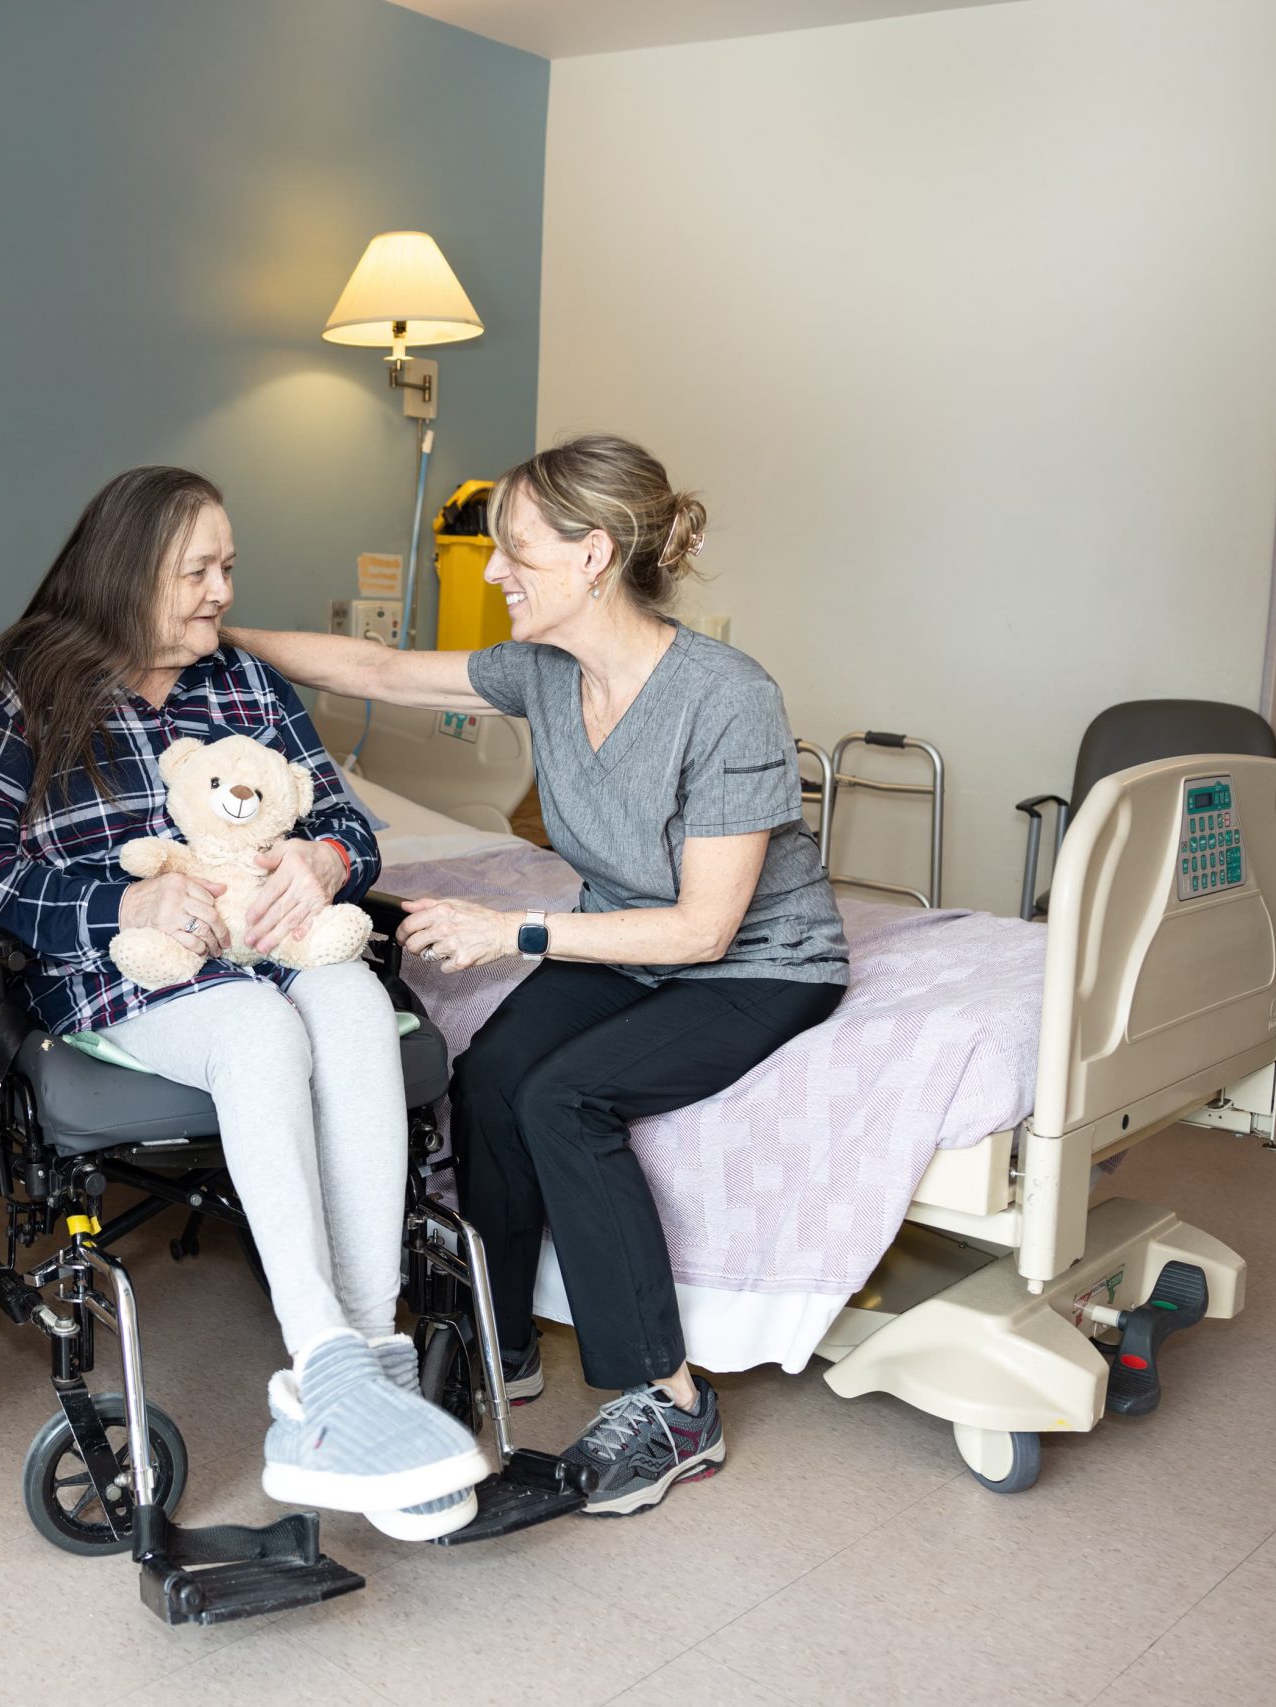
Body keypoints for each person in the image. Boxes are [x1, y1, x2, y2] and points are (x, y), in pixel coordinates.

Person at [223, 434, 847, 1518]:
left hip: (754, 964)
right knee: (492, 1074)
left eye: (515, 549)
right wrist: (197, 630)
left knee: (566, 1095)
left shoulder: (725, 697)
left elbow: (703, 930)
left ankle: (672, 1407)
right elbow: (371, 668)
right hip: (620, 938)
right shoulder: (544, 673)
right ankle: (493, 1340)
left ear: (593, 554)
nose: (495, 570)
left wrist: (513, 933)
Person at [0, 465, 485, 1539]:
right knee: (262, 1028)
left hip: (275, 944)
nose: (223, 591)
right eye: (199, 570)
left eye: (229, 565)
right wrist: (126, 896)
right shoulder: (18, 681)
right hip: (132, 971)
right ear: (127, 573)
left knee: (357, 1007)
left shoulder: (245, 687)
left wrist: (322, 862)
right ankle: (329, 1362)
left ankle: (356, 1372)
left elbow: (352, 827)